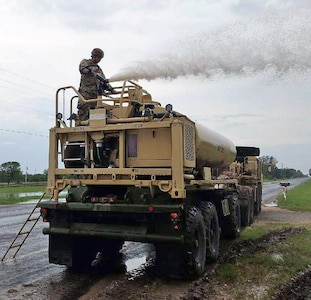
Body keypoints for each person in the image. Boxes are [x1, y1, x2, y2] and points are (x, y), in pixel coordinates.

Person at [78, 48, 113, 121]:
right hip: (85, 95)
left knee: (94, 116)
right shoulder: (85, 62)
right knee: (84, 114)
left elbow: (104, 80)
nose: (99, 60)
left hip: (95, 97)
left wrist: (110, 88)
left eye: (100, 58)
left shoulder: (99, 69)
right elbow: (83, 69)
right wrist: (91, 71)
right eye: (98, 57)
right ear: (94, 56)